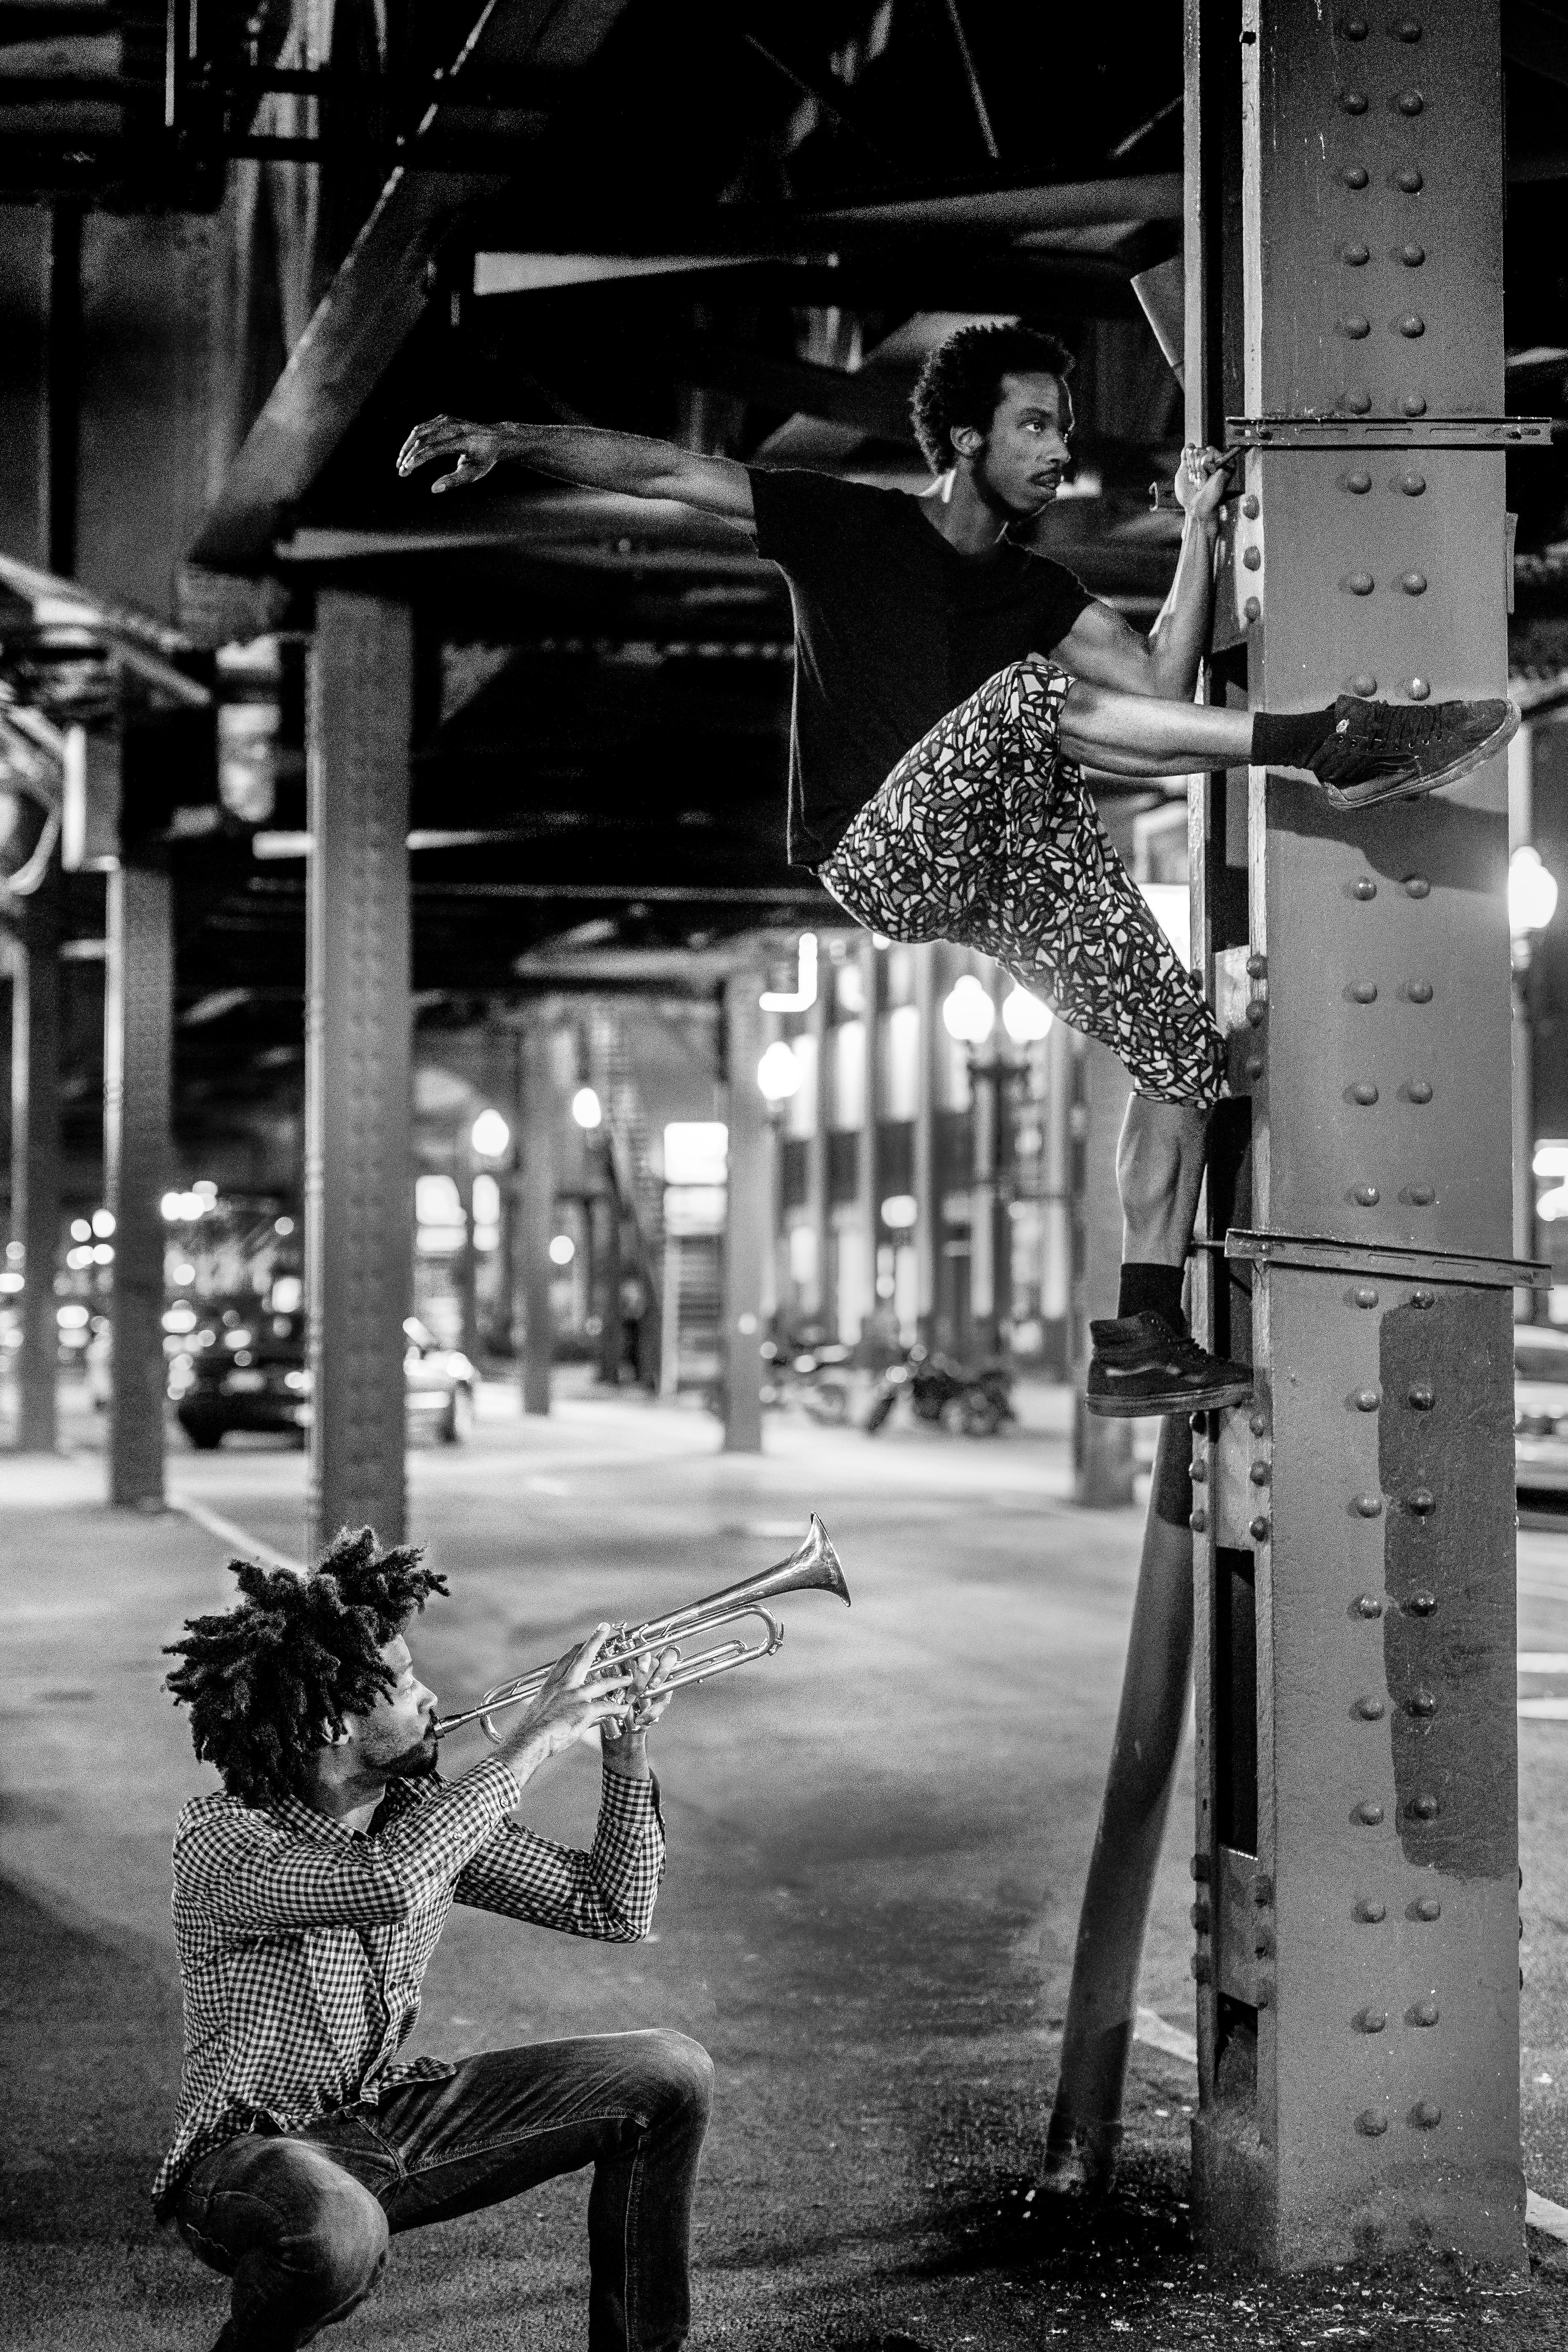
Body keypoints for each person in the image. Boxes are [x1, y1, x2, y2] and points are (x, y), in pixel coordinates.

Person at [397, 322, 1515, 1417]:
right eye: (1034, 426)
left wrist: (1197, 528)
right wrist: (508, 436)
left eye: (1065, 430)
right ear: (967, 439)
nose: (1059, 450)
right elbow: (664, 472)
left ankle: (1141, 1330)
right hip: (877, 852)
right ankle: (1326, 740)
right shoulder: (844, 526)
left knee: (1179, 1047)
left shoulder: (1039, 590)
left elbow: (1158, 696)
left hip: (995, 867)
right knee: (1026, 697)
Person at [157, 1527, 710, 2352]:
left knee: (670, 2071)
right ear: (334, 1723)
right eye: (404, 1682)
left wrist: (626, 1751)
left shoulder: (421, 1820)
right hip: (246, 2156)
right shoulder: (226, 1838)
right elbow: (385, 1882)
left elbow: (614, 1906)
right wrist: (535, 1739)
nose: (430, 1697)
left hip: (383, 2121)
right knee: (337, 2229)